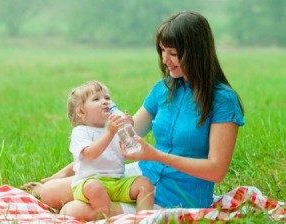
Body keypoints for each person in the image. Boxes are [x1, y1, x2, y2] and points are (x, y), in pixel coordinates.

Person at [21, 10, 244, 211]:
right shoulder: (164, 89)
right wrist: (61, 174)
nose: (165, 60)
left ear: (196, 53)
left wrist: (155, 155)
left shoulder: (223, 100)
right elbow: (118, 136)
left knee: (74, 211)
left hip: (177, 196)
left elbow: (216, 170)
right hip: (142, 176)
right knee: (50, 192)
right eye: (162, 51)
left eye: (173, 53)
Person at [57, 80, 154, 220]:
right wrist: (110, 133)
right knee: (95, 187)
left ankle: (145, 219)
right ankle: (109, 218)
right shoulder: (80, 131)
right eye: (96, 99)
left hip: (116, 182)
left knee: (144, 183)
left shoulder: (114, 129)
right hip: (88, 184)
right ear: (81, 111)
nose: (104, 101)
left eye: (107, 98)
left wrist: (129, 130)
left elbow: (129, 153)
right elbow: (90, 154)